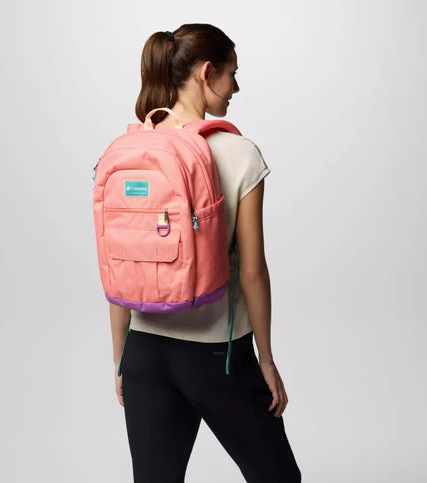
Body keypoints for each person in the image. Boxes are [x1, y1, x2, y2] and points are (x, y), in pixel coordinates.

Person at [108, 23, 302, 483]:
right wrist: (266, 359)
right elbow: (252, 272)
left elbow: (121, 264)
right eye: (232, 74)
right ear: (207, 72)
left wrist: (121, 359)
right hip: (218, 355)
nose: (235, 87)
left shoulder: (130, 151)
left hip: (144, 353)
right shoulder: (239, 153)